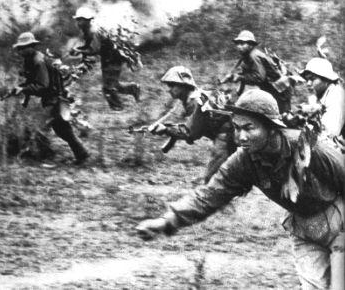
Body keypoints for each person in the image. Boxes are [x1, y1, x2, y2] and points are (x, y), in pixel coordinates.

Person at [137, 89, 345, 290]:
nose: (240, 137)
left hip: (339, 221)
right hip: (305, 228)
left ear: (271, 128)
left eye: (249, 128)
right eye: (237, 128)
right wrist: (167, 221)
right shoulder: (243, 160)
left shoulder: (309, 147)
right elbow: (208, 195)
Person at [149, 65, 236, 183]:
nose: (169, 89)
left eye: (172, 85)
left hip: (226, 135)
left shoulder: (194, 101)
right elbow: (179, 118)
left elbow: (191, 133)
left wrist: (166, 130)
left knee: (211, 178)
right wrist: (165, 126)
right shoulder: (189, 98)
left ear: (184, 85)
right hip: (227, 132)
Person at [12, 32, 89, 164]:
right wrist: (20, 89)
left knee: (41, 126)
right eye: (20, 48)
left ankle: (36, 156)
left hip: (53, 97)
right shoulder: (30, 60)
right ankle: (82, 154)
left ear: (31, 47)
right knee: (62, 129)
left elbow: (42, 85)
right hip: (52, 97)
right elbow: (31, 81)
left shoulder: (38, 61)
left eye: (23, 47)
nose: (20, 51)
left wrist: (24, 89)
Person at [71, 7, 141, 111]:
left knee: (108, 88)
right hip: (109, 58)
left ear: (87, 20)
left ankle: (118, 108)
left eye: (80, 20)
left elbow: (94, 50)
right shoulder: (88, 30)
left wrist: (79, 51)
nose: (78, 23)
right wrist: (78, 49)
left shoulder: (93, 31)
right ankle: (133, 88)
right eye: (77, 20)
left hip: (113, 58)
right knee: (114, 84)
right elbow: (89, 46)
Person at [221, 30, 292, 114]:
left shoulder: (254, 56)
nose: (239, 46)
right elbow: (247, 74)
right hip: (270, 88)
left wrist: (240, 77)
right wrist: (234, 77)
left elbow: (259, 77)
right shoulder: (245, 56)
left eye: (242, 44)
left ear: (251, 45)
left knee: (281, 116)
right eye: (238, 44)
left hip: (280, 91)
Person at [301, 57, 345, 138]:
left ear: (326, 80)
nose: (308, 83)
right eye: (307, 79)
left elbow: (330, 133)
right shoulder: (320, 93)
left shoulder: (336, 95)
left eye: (312, 79)